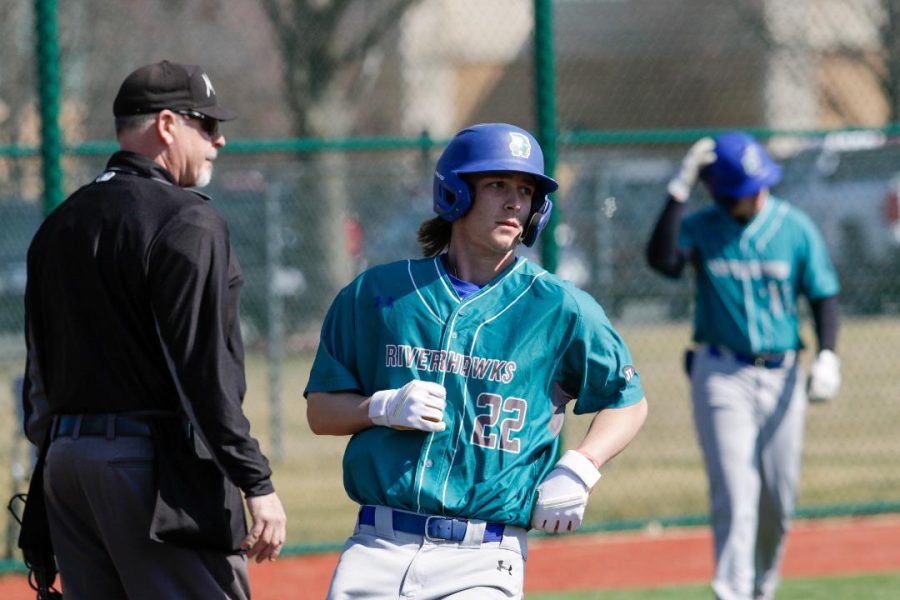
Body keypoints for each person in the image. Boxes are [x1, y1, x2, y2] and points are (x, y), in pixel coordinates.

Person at [304, 122, 648, 599]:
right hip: (376, 547)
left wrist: (581, 467)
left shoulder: (559, 306)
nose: (514, 202)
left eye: (526, 190)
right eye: (497, 185)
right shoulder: (378, 294)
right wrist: (378, 408)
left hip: (485, 556)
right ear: (454, 193)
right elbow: (320, 410)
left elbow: (628, 400)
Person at [22, 60, 286, 599]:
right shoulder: (186, 219)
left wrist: (52, 467)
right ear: (167, 125)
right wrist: (254, 480)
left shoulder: (59, 223)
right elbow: (202, 371)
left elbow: (38, 370)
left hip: (66, 467)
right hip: (149, 472)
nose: (220, 141)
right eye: (207, 125)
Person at [646, 131, 841, 600]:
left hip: (783, 372)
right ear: (716, 192)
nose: (756, 195)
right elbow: (662, 260)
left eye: (760, 184)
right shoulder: (704, 225)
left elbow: (823, 294)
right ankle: (731, 592)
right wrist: (678, 189)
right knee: (736, 492)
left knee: (778, 497)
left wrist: (828, 354)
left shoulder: (793, 227)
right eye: (742, 190)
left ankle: (761, 586)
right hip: (721, 372)